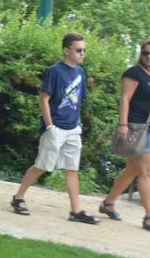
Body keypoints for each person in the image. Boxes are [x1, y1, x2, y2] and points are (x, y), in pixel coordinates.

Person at [10, 33, 91, 221]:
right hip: (55, 127)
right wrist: (50, 126)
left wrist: (78, 122)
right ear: (66, 50)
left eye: (84, 50)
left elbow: (78, 101)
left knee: (72, 168)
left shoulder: (80, 73)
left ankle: (76, 211)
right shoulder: (55, 71)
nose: (82, 53)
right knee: (42, 166)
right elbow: (44, 98)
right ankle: (18, 197)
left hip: (73, 128)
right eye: (78, 50)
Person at [96, 39, 150, 233]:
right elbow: (125, 98)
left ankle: (109, 203)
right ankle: (149, 216)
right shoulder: (133, 73)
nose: (149, 56)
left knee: (133, 169)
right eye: (145, 53)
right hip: (138, 127)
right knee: (148, 170)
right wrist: (123, 124)